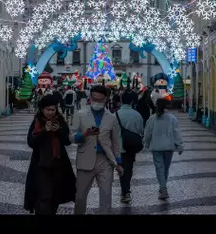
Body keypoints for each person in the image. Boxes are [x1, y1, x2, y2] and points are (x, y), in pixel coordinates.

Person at [70, 85, 123, 214]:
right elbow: (71, 136)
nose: (96, 102)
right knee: (80, 196)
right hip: (85, 159)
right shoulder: (81, 114)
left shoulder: (111, 117)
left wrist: (118, 162)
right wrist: (83, 135)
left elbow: (116, 142)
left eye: (100, 100)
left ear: (106, 99)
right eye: (94, 99)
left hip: (105, 160)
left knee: (106, 195)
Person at [24, 95, 76, 214]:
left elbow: (67, 141)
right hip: (41, 166)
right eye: (48, 110)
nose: (50, 113)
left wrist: (59, 130)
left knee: (55, 196)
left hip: (58, 165)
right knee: (43, 197)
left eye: (53, 110)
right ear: (42, 109)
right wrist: (44, 131)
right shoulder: (37, 122)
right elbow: (31, 142)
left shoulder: (60, 121)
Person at [144, 98, 184, 201]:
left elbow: (147, 133)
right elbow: (177, 133)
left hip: (156, 147)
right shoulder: (172, 119)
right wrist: (179, 146)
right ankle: (163, 187)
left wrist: (146, 143)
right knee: (165, 168)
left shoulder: (152, 118)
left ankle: (163, 187)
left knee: (159, 168)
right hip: (169, 147)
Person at [116, 91, 145, 204]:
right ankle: (126, 191)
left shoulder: (116, 114)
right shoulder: (137, 115)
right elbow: (140, 131)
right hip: (132, 146)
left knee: (122, 169)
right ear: (132, 101)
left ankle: (125, 191)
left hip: (119, 146)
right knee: (129, 168)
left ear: (121, 100)